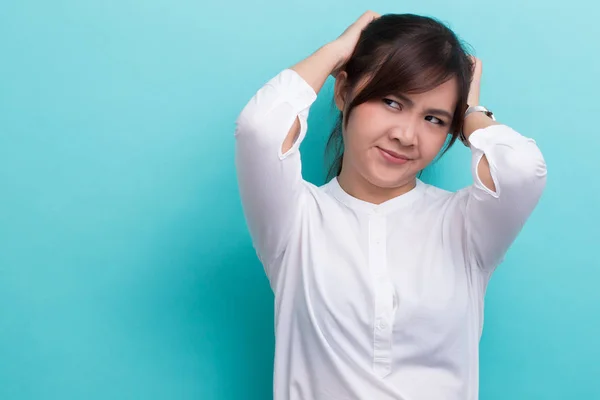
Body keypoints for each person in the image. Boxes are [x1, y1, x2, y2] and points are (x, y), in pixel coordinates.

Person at [234, 11, 547, 400]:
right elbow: (260, 129)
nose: (406, 135)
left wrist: (471, 113)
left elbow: (520, 170)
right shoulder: (295, 219)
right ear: (344, 91)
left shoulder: (465, 228)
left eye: (434, 118)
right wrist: (336, 52)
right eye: (391, 101)